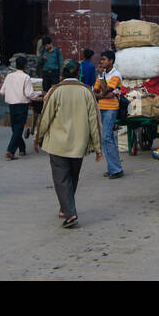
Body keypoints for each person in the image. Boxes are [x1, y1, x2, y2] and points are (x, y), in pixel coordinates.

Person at [34, 59, 103, 229]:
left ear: (62, 73)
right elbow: (94, 122)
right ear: (78, 73)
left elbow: (45, 117)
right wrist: (97, 147)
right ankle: (65, 208)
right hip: (78, 145)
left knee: (61, 179)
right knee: (72, 178)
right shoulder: (87, 92)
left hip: (57, 144)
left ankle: (70, 213)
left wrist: (38, 138)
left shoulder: (55, 91)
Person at [1, 55, 41, 159]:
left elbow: (2, 91)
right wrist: (40, 93)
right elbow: (29, 94)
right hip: (22, 105)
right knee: (18, 128)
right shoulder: (25, 77)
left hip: (11, 105)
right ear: (25, 65)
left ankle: (22, 149)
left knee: (15, 128)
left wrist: (12, 93)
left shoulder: (9, 76)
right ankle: (10, 150)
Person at [93, 49, 124, 178]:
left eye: (104, 59)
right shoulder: (103, 74)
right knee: (107, 138)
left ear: (111, 61)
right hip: (102, 108)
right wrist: (104, 94)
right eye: (101, 59)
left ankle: (115, 169)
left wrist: (101, 80)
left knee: (106, 138)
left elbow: (105, 91)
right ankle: (114, 168)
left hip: (111, 108)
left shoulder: (116, 75)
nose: (102, 62)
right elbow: (95, 92)